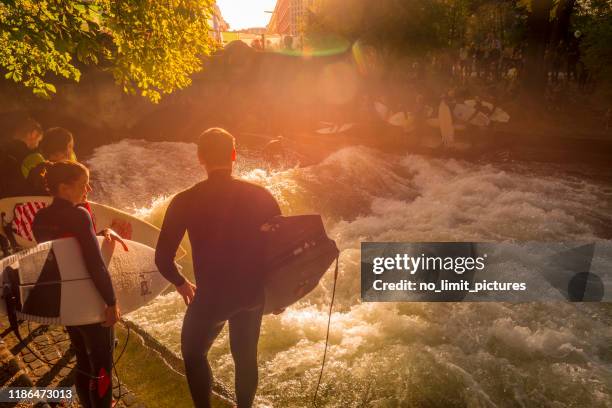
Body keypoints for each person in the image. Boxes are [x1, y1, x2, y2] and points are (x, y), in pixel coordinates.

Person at [155, 128, 281, 408]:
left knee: (193, 353)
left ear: (200, 158)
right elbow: (282, 247)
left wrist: (181, 283)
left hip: (213, 296)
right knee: (246, 356)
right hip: (252, 294)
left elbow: (163, 258)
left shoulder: (185, 200)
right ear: (234, 155)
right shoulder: (260, 195)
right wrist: (280, 293)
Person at [32, 161, 124, 408]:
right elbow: (94, 264)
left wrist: (99, 233)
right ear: (64, 188)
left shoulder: (39, 219)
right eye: (83, 185)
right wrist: (111, 301)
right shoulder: (79, 215)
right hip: (90, 302)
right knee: (103, 365)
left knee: (84, 359)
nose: (88, 190)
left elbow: (65, 255)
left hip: (66, 303)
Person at [0, 117, 43, 198]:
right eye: (38, 141)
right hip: (21, 205)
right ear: (33, 134)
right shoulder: (33, 158)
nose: (37, 145)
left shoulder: (3, 151)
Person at [27, 127, 76, 195]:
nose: (71, 151)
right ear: (66, 148)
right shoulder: (65, 173)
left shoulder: (35, 170)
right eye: (70, 146)